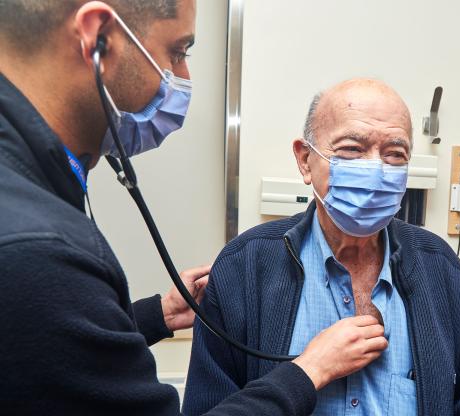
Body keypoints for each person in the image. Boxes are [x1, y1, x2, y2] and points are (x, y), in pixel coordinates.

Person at [0, 1, 388, 415]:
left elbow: (52, 347)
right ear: (97, 37)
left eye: (395, 154)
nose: (182, 78)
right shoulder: (37, 248)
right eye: (177, 51)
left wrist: (156, 316)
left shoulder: (28, 199)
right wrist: (308, 371)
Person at [183, 78, 460, 416]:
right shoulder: (245, 268)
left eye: (395, 154)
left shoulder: (441, 270)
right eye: (352, 149)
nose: (376, 169)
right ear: (305, 159)